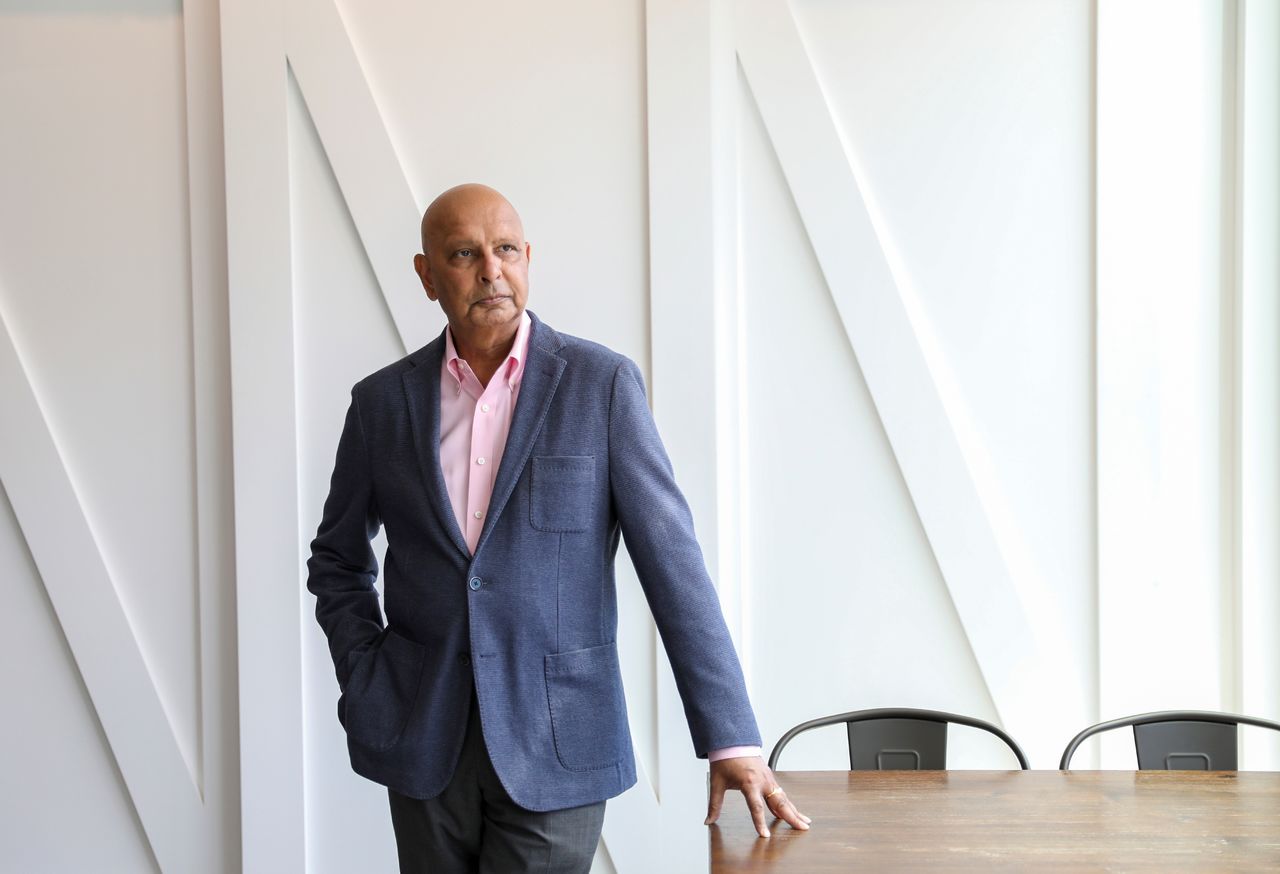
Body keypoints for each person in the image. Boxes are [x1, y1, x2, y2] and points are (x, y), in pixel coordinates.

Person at [307, 183, 809, 873]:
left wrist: (730, 737)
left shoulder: (600, 385)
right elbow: (337, 558)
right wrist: (366, 676)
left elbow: (673, 564)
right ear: (427, 275)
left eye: (505, 248)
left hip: (559, 739)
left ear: (528, 257)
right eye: (463, 254)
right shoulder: (381, 403)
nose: (491, 269)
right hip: (423, 739)